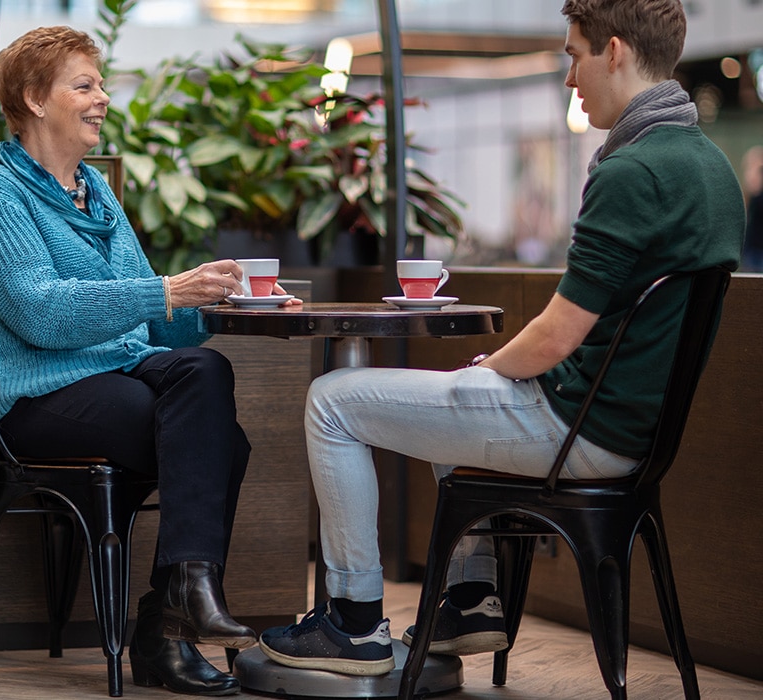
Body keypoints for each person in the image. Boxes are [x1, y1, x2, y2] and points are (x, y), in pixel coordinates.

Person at [258, 0, 745, 677]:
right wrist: (488, 372)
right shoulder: (713, 169)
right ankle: (471, 598)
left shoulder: (633, 172)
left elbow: (554, 337)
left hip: (580, 430)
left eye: (573, 55)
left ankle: (355, 625)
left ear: (615, 52)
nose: (569, 78)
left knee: (332, 400)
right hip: (634, 434)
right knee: (463, 389)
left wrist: (490, 368)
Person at [0, 26, 299, 696]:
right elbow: (42, 314)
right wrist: (167, 288)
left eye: (100, 85)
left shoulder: (96, 193)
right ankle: (164, 626)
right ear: (33, 97)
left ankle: (179, 603)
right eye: (85, 85)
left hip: (118, 379)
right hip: (39, 397)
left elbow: (147, 319)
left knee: (206, 375)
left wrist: (230, 307)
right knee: (219, 443)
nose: (103, 99)